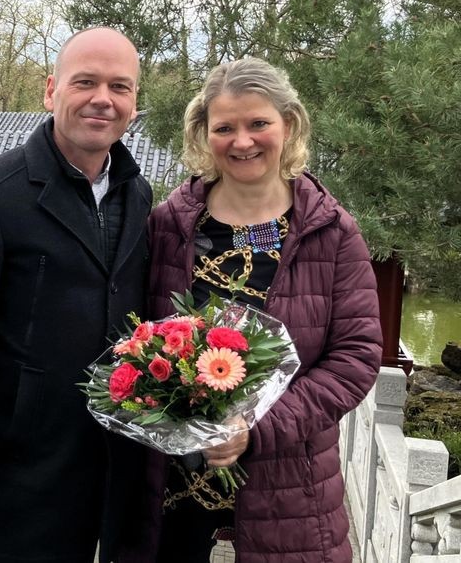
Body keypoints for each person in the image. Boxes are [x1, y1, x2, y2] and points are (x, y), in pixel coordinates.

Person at [135, 57, 382, 562]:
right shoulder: (168, 225)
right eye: (225, 127)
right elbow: (137, 334)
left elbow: (356, 357)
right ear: (204, 134)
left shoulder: (331, 232)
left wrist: (257, 429)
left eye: (258, 124)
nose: (242, 141)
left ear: (288, 124)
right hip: (171, 479)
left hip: (291, 482)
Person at [0, 27, 153, 562]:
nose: (103, 99)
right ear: (51, 91)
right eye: (86, 82)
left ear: (134, 103)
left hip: (108, 470)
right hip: (16, 474)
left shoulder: (136, 193)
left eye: (120, 87)